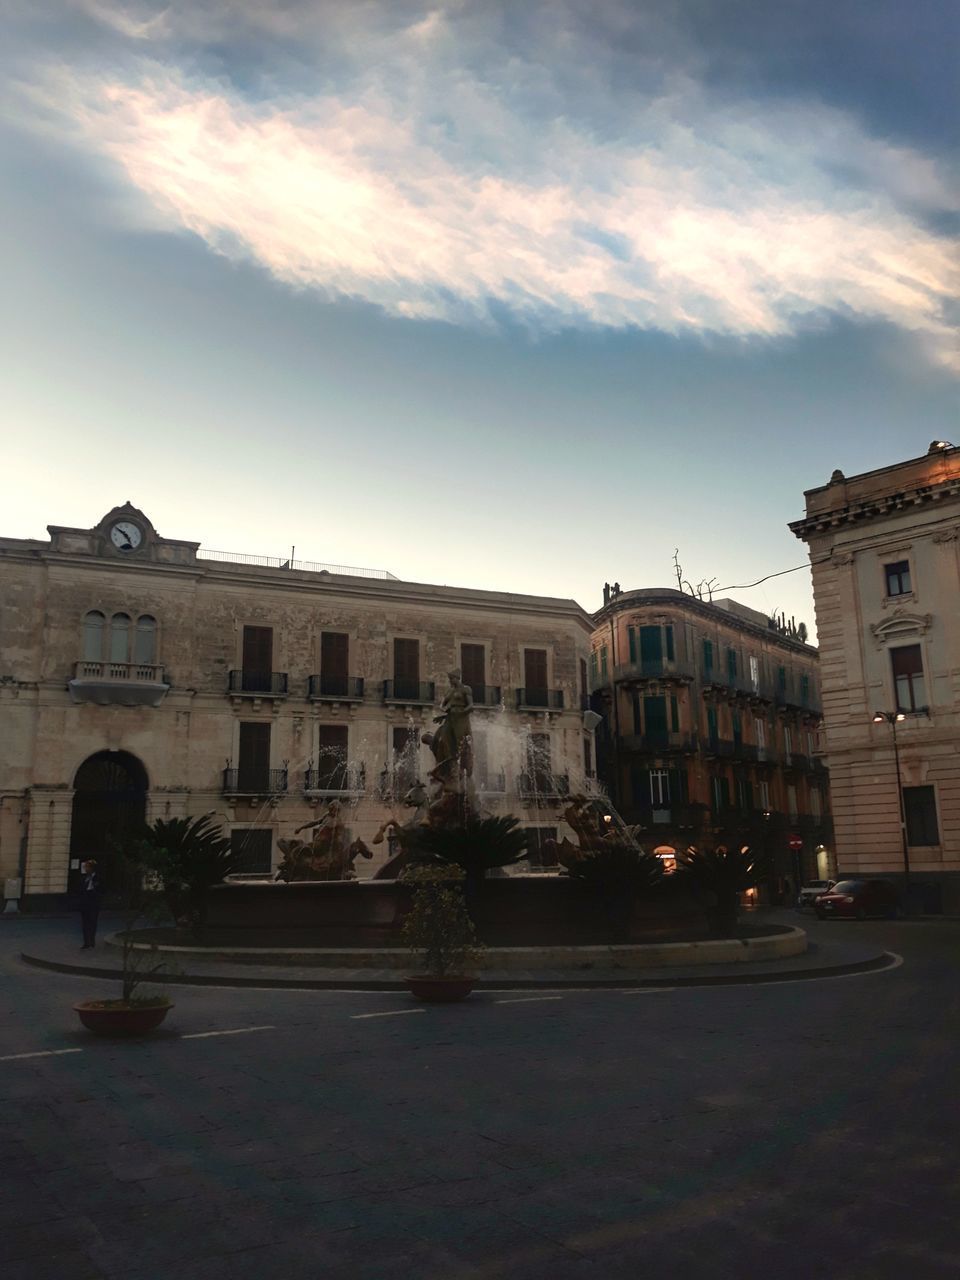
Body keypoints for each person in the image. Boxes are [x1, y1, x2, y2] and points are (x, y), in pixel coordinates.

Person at [79, 859, 103, 949]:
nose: (86, 869)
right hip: (85, 904)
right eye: (85, 867)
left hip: (94, 904)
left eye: (87, 867)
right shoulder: (84, 878)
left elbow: (101, 890)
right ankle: (86, 942)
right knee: (85, 924)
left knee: (92, 923)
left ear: (92, 868)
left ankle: (92, 941)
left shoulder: (98, 878)